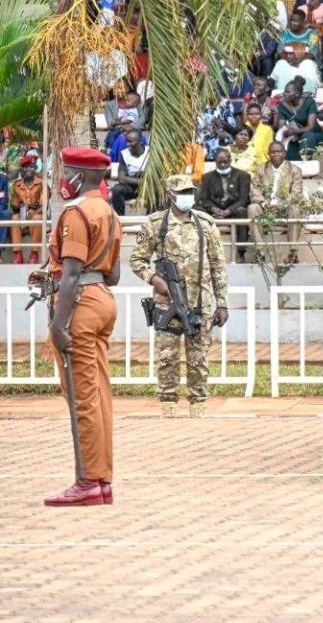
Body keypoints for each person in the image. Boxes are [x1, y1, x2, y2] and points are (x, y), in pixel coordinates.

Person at [35, 148, 122, 506]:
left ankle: (88, 481)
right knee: (98, 395)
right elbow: (113, 274)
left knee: (82, 398)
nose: (62, 179)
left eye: (66, 171)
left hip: (80, 305)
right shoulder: (109, 213)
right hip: (102, 296)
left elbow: (70, 275)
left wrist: (58, 324)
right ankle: (100, 481)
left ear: (79, 176)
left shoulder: (76, 213)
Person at [130, 175, 230, 419]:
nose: (187, 196)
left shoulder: (205, 223)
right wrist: (154, 279)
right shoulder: (156, 224)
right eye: (182, 192)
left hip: (200, 302)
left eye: (190, 191)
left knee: (199, 357)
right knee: (167, 356)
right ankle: (168, 405)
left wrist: (222, 303)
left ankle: (198, 405)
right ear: (170, 195)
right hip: (167, 303)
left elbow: (218, 264)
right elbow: (137, 259)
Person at [251, 142, 306, 266]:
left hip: (285, 207)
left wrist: (280, 204)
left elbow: (296, 194)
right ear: (268, 154)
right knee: (252, 208)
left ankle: (292, 253)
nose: (276, 154)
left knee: (296, 209)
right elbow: (255, 190)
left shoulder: (294, 170)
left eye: (279, 151)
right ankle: (259, 252)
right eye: (273, 152)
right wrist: (264, 203)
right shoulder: (261, 169)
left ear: (284, 153)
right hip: (266, 207)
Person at [196, 148, 254, 262]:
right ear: (215, 162)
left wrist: (228, 211)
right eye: (219, 162)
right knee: (197, 209)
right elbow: (203, 198)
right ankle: (200, 250)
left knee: (242, 211)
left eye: (225, 162)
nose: (222, 165)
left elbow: (244, 199)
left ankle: (241, 252)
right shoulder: (207, 177)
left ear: (230, 160)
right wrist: (213, 209)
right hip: (214, 211)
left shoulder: (242, 175)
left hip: (233, 210)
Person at [110, 130, 150, 215]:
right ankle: (120, 217)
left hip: (147, 188)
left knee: (159, 190)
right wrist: (141, 179)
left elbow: (153, 176)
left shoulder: (149, 152)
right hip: (131, 188)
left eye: (131, 141)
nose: (127, 144)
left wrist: (131, 177)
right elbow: (121, 179)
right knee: (116, 190)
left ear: (139, 141)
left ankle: (151, 217)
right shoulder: (124, 154)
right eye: (127, 141)